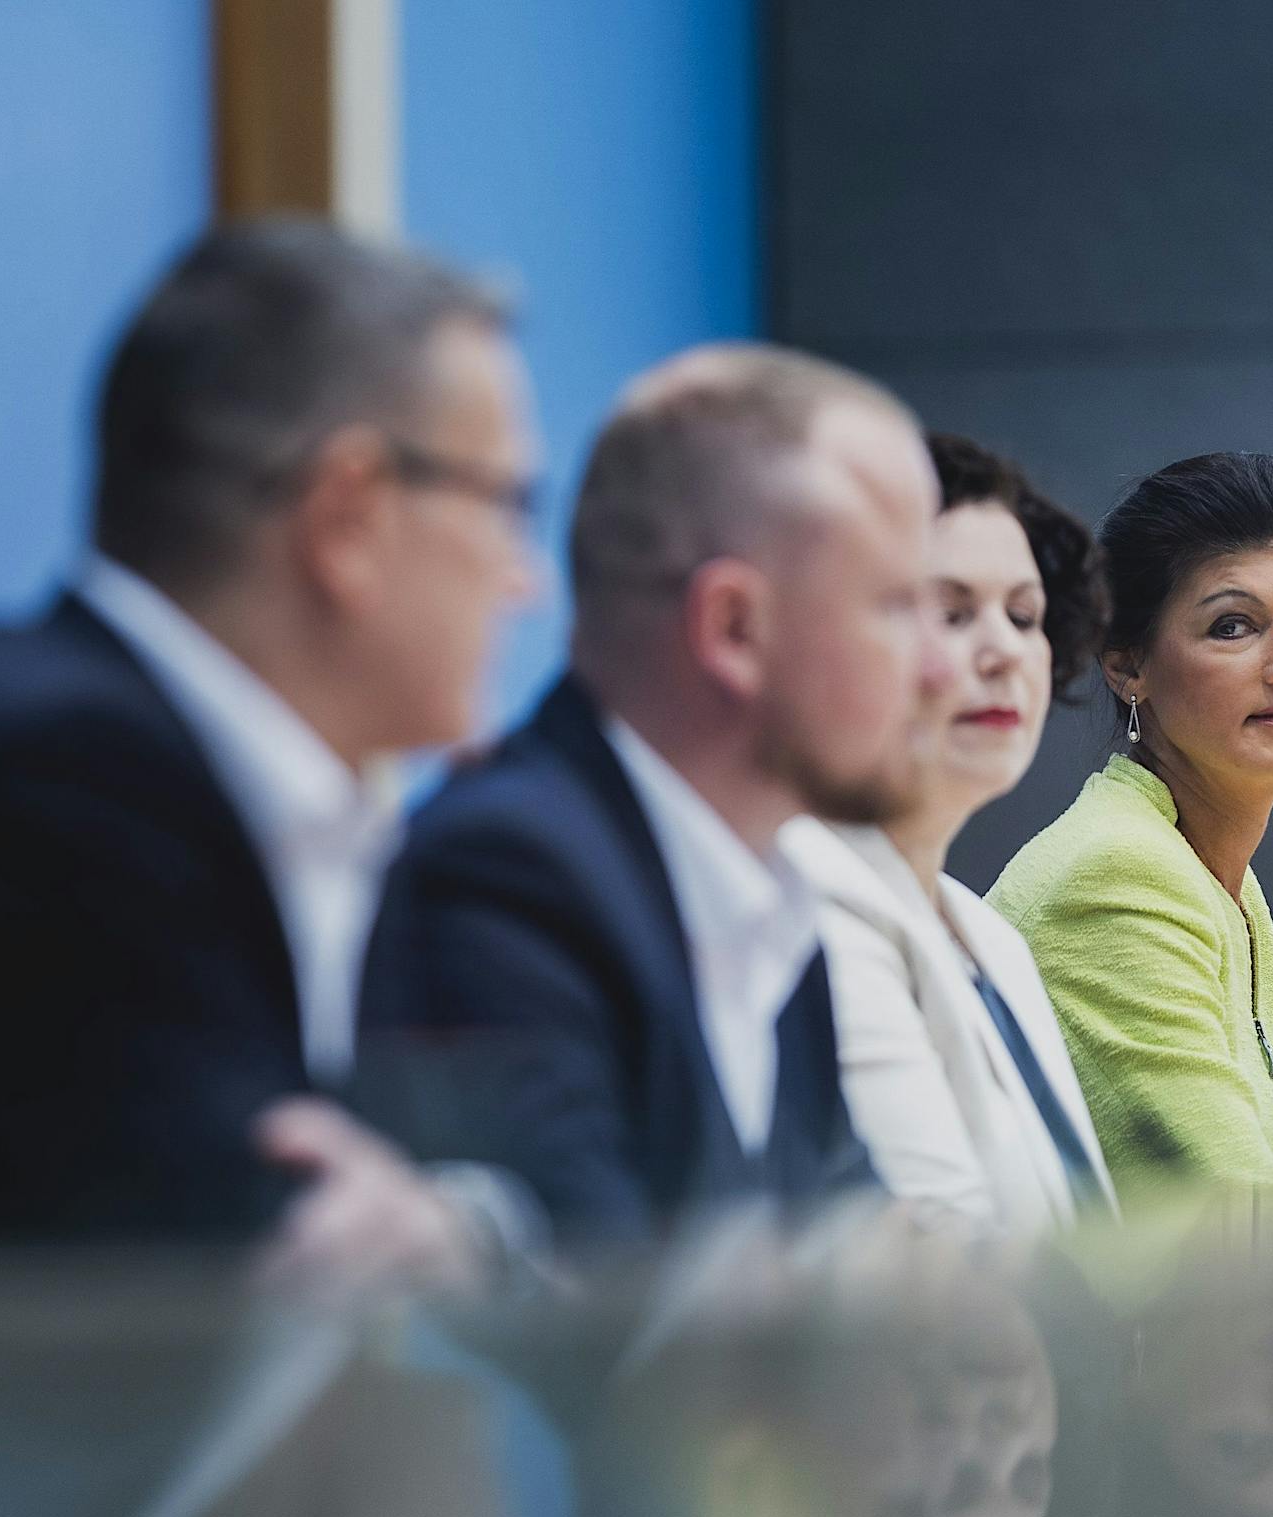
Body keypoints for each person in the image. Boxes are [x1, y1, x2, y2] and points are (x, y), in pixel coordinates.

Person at [0, 218, 539, 1287]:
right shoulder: (47, 793)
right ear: (348, 517)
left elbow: (524, 1187)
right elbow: (241, 1291)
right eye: (509, 505)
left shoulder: (312, 815)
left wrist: (455, 1222)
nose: (526, 579)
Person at [361, 344, 949, 1251]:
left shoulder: (776, 901)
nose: (939, 670)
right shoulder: (505, 876)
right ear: (734, 630)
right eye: (897, 606)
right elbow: (606, 1349)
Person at [989, 451, 1273, 1198]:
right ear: (1128, 667)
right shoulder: (1118, 874)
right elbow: (1251, 1232)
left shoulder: (1222, 879)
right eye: (1234, 626)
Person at [782, 433, 1115, 1242]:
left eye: (1024, 615)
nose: (1002, 651)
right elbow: (951, 1266)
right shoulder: (809, 904)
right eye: (953, 612)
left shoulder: (990, 935)